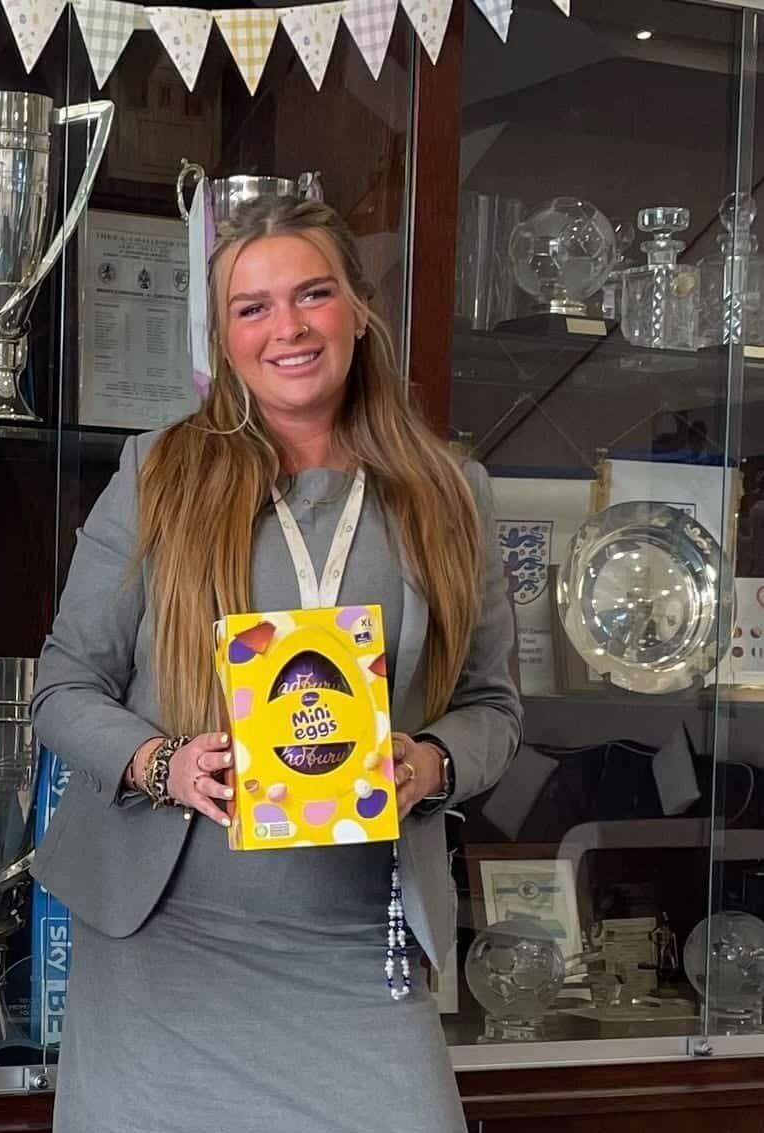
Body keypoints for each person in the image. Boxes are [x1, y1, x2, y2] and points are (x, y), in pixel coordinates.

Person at [30, 196, 521, 1132]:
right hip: (164, 948)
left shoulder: (452, 493)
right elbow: (62, 685)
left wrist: (432, 763)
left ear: (358, 310)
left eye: (312, 294)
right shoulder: (156, 473)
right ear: (223, 340)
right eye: (251, 308)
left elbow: (494, 706)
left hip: (359, 950)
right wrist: (160, 764)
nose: (287, 327)